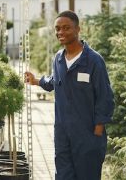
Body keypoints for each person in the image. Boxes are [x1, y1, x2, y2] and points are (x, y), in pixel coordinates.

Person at [25, 10, 114, 180]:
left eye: (66, 28)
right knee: (63, 176)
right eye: (57, 28)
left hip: (88, 135)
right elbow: (55, 82)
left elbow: (105, 97)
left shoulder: (93, 60)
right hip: (63, 134)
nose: (60, 32)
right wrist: (36, 80)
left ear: (77, 29)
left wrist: (97, 131)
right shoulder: (58, 59)